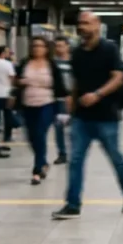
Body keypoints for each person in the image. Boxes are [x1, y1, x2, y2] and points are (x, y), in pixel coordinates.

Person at [53, 11, 123, 219]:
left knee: (116, 159)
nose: (82, 27)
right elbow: (75, 83)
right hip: (81, 117)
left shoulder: (109, 49)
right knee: (75, 160)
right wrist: (71, 108)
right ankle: (72, 205)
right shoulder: (76, 53)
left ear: (97, 25)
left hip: (106, 116)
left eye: (86, 23)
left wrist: (97, 95)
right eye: (80, 23)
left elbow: (118, 77)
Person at [16, 36, 68, 185]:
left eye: (40, 46)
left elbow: (60, 86)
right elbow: (16, 80)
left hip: (47, 104)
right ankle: (43, 162)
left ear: (46, 49)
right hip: (27, 104)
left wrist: (67, 103)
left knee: (40, 133)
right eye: (34, 46)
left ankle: (37, 171)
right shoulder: (25, 63)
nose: (37, 48)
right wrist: (20, 82)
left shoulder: (51, 64)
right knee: (31, 137)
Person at [52, 35, 73, 164]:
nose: (58, 48)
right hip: (58, 100)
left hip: (73, 99)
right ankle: (62, 153)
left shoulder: (74, 62)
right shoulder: (52, 63)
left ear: (67, 47)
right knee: (58, 127)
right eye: (56, 46)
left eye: (61, 46)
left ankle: (75, 152)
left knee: (75, 128)